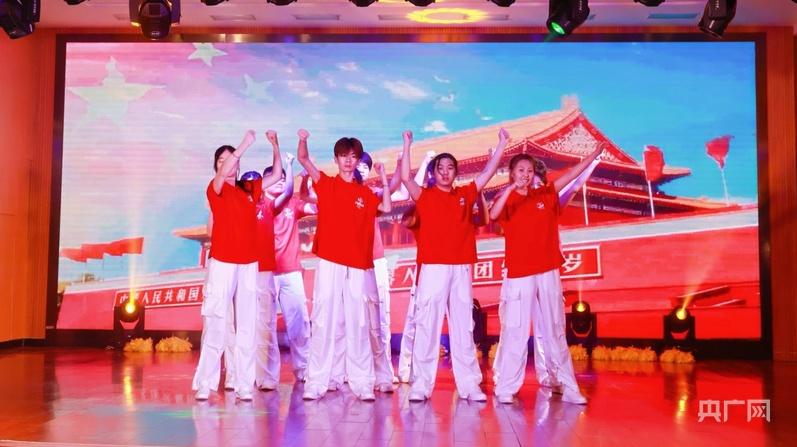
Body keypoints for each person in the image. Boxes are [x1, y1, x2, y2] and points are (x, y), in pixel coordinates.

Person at [399, 128, 509, 402]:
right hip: (433, 268)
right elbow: (405, 177)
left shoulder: (465, 193)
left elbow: (488, 172)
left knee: (463, 326)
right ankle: (421, 385)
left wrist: (502, 143)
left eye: (450, 168)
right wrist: (407, 144)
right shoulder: (424, 196)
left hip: (460, 267)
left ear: (456, 173)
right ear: (434, 173)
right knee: (427, 326)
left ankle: (470, 385)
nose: (445, 172)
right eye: (440, 168)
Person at [489, 147, 603, 405]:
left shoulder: (545, 194)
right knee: (516, 330)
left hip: (547, 270)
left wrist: (592, 155)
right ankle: (507, 387)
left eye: (529, 171)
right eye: (521, 170)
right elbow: (493, 215)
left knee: (554, 329)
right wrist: (511, 188)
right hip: (519, 272)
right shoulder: (506, 198)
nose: (526, 175)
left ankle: (568, 387)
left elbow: (572, 175)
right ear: (512, 173)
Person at [296, 129, 392, 401]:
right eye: (343, 156)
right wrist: (303, 139)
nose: (348, 161)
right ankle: (317, 381)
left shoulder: (365, 193)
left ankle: (362, 382)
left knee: (358, 323)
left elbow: (386, 208)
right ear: (336, 159)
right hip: (330, 261)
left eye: (353, 157)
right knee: (324, 320)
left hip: (358, 265)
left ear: (358, 160)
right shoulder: (326, 184)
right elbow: (303, 159)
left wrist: (384, 180)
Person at [193, 129, 282, 401]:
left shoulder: (248, 189)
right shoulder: (215, 189)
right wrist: (243, 145)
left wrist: (275, 146)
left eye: (230, 159)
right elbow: (222, 174)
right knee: (217, 322)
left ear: (239, 164)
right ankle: (205, 383)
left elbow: (277, 175)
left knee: (246, 325)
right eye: (221, 161)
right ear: (217, 167)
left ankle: (244, 383)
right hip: (222, 263)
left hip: (248, 264)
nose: (227, 163)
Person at [260, 152, 315, 386]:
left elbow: (316, 208)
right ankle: (268, 376)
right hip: (266, 273)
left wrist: (307, 181)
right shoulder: (258, 205)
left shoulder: (292, 203)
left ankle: (303, 369)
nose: (280, 181)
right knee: (267, 325)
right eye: (275, 178)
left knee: (299, 323)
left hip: (291, 272)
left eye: (283, 178)